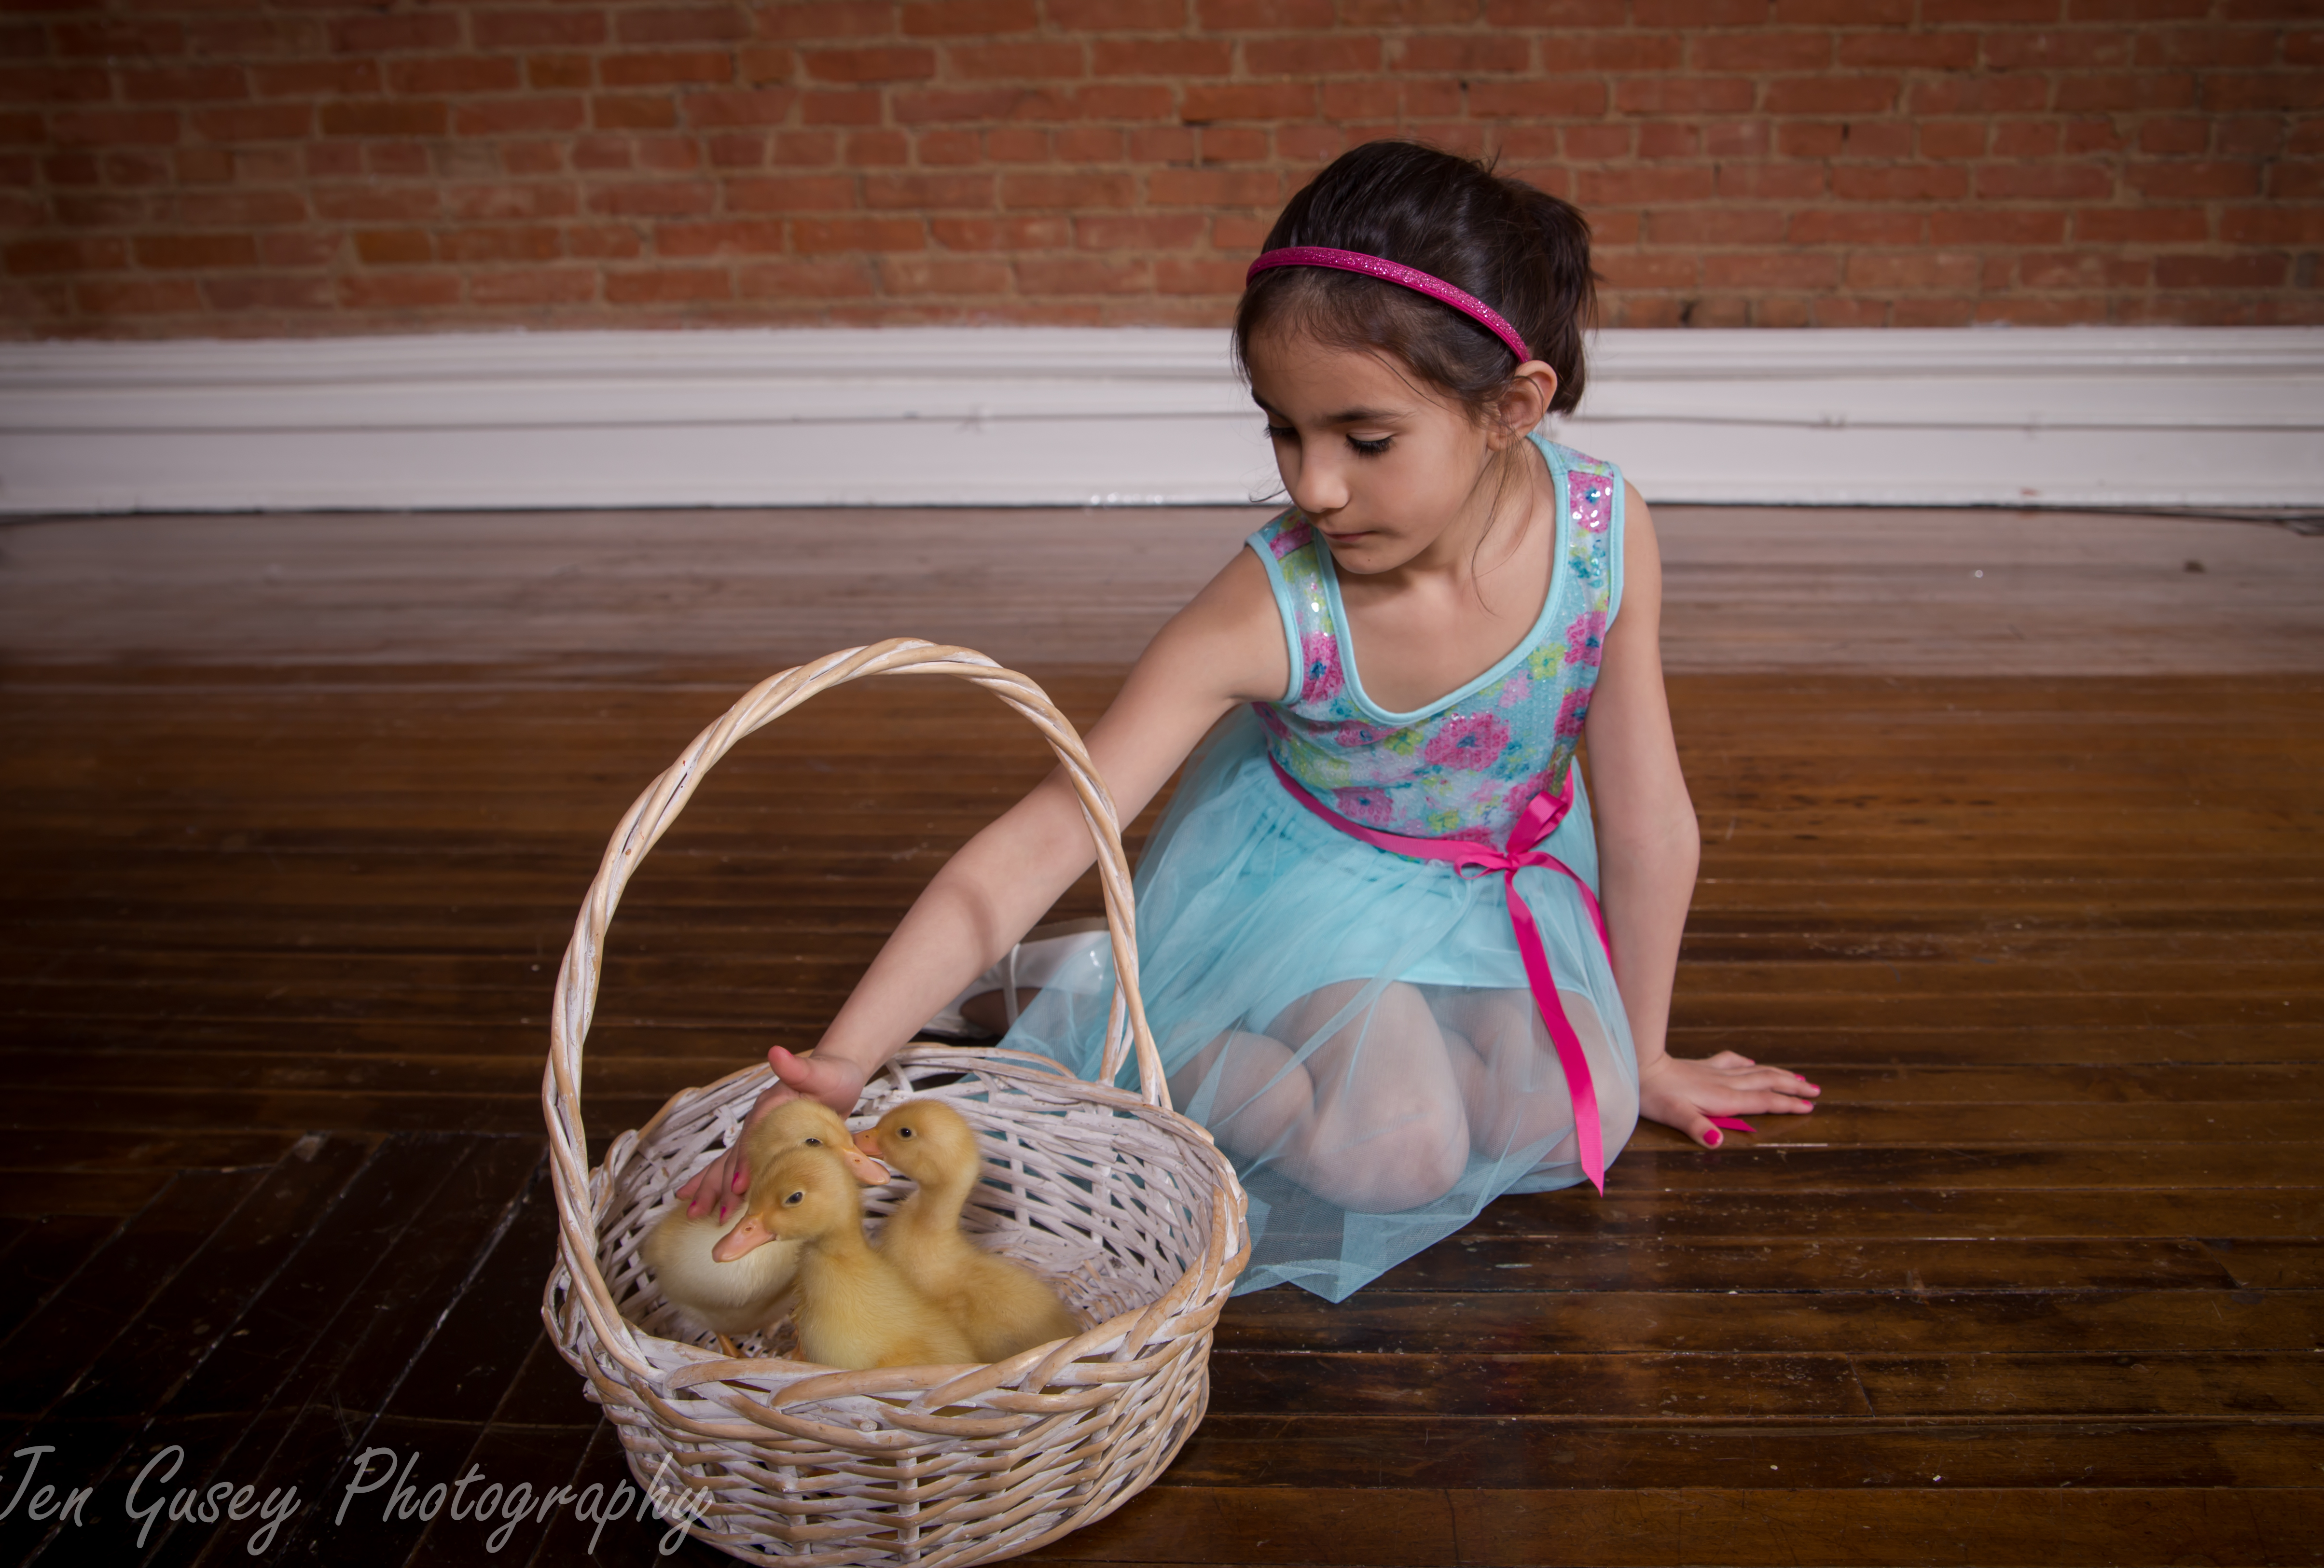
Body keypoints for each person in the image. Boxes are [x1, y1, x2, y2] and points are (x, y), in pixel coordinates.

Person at [679, 141, 1818, 1301]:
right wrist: (841, 1058)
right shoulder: (1273, 604)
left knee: (1570, 1109)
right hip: (1308, 893)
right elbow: (1048, 832)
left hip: (1498, 882)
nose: (1312, 486)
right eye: (1284, 429)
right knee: (1400, 1152)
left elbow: (1647, 821)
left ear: (1509, 408)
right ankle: (1109, 998)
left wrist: (1643, 1051)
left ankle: (1136, 982)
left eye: (1363, 440)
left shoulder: (1598, 536)